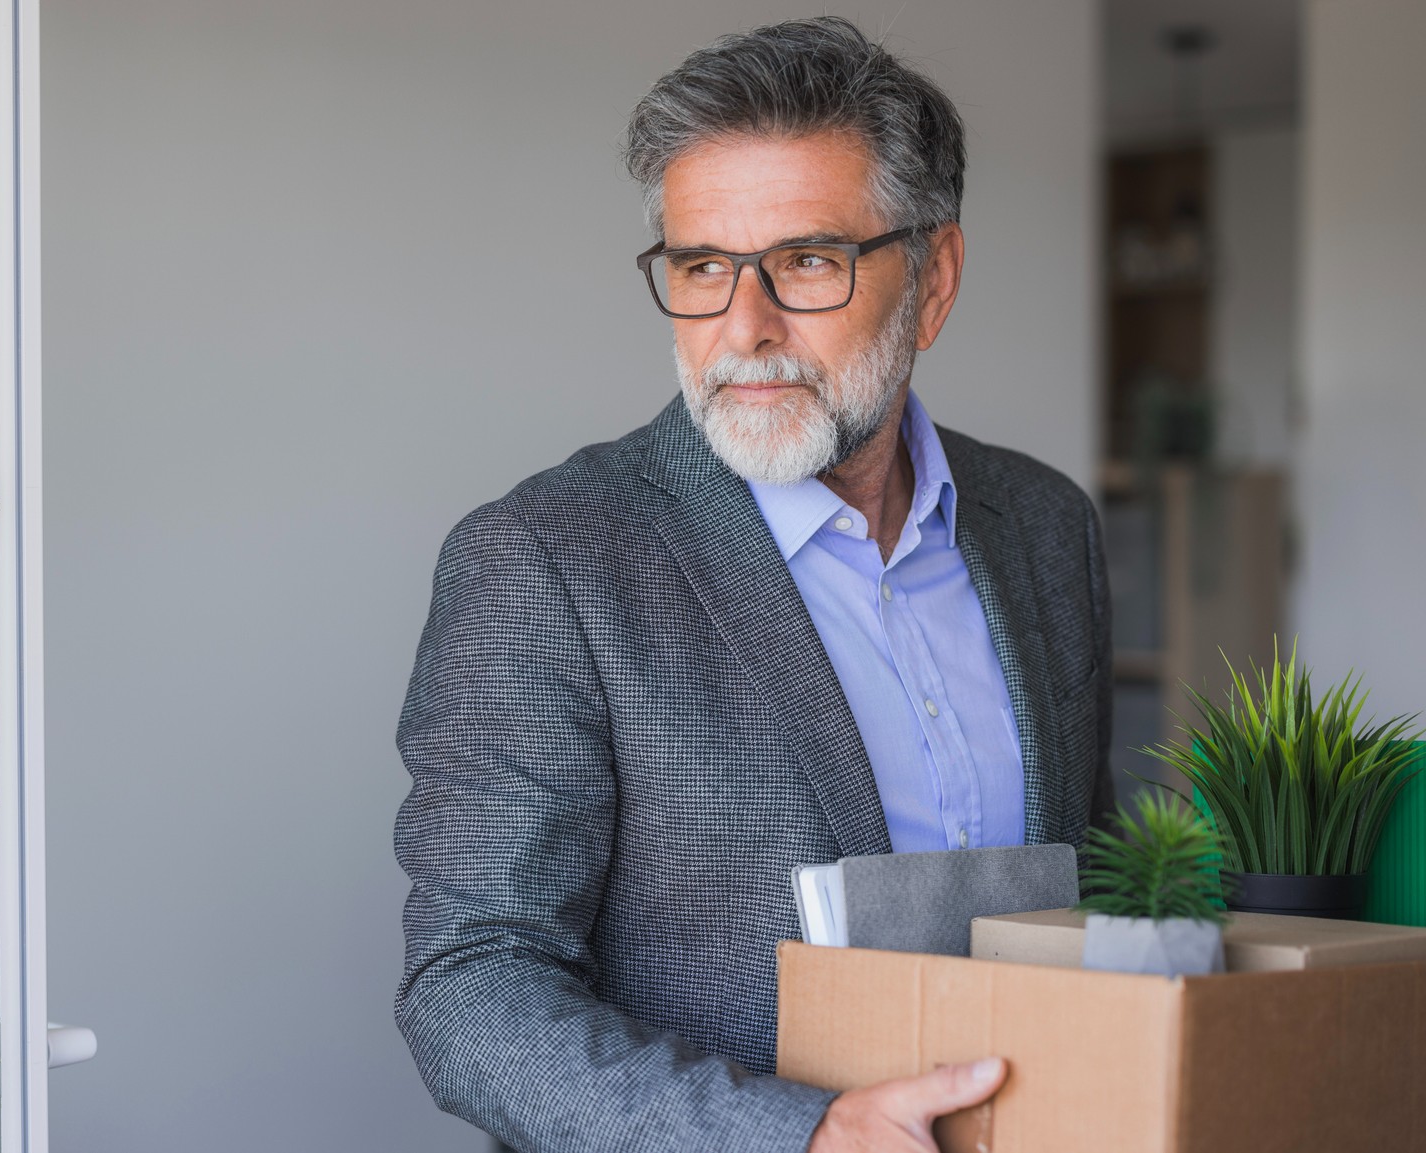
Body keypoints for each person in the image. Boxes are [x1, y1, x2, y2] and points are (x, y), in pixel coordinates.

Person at [393, 17, 1110, 1152]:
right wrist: (803, 1137)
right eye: (701, 268)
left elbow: (1093, 885)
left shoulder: (1044, 528)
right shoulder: (543, 559)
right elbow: (472, 988)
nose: (745, 328)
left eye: (808, 262)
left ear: (934, 279)